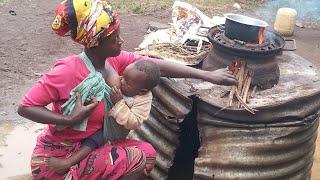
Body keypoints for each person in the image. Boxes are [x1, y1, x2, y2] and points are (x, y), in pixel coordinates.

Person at [17, 0, 236, 179]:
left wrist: (207, 75)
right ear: (96, 43)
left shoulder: (113, 61)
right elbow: (25, 107)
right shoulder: (68, 71)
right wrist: (68, 120)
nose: (122, 41)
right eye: (114, 38)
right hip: (56, 158)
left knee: (147, 154)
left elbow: (155, 66)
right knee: (138, 157)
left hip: (87, 146)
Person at [44, 60, 161, 175]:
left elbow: (134, 122)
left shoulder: (143, 100)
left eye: (126, 81)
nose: (121, 80)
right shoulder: (122, 83)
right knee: (96, 135)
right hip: (98, 128)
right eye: (122, 76)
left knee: (145, 153)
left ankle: (69, 162)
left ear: (142, 91)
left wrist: (119, 103)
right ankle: (74, 161)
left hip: (113, 132)